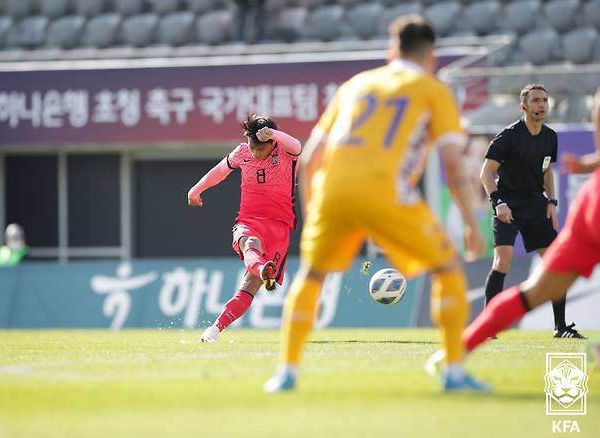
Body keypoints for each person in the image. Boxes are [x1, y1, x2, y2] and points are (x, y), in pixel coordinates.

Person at [264, 15, 488, 393]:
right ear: (431, 55)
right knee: (447, 269)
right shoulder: (432, 89)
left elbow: (310, 156)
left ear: (390, 52)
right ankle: (454, 372)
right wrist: (470, 222)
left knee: (312, 276)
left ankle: (286, 373)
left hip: (332, 191)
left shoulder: (357, 84)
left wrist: (312, 213)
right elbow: (453, 162)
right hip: (385, 190)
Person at [459, 87, 600, 353]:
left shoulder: (550, 137)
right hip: (508, 205)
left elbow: (547, 172)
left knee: (554, 264)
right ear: (523, 107)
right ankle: (489, 326)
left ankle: (560, 327)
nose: (542, 104)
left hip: (537, 206)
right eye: (535, 100)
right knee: (503, 260)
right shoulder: (508, 137)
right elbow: (486, 172)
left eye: (545, 100)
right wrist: (498, 202)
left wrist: (552, 202)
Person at [188, 114, 302, 343]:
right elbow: (219, 172)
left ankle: (259, 272)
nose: (254, 152)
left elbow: (298, 145)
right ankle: (214, 330)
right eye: (251, 147)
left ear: (271, 143)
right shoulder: (242, 153)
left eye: (259, 149)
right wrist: (195, 190)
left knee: (249, 286)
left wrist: (274, 134)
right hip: (249, 220)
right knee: (249, 243)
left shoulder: (286, 153)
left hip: (279, 228)